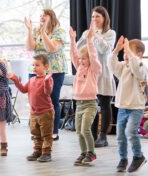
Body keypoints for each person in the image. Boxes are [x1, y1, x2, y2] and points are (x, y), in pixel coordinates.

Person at [76, 6, 116, 147]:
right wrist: (86, 36)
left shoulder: (110, 33)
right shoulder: (88, 32)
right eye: (92, 17)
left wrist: (95, 35)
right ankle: (92, 134)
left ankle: (103, 136)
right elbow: (78, 48)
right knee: (91, 104)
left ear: (104, 18)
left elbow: (104, 49)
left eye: (97, 16)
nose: (94, 19)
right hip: (91, 75)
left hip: (104, 73)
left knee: (105, 105)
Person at [25, 9, 67, 140]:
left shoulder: (59, 31)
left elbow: (51, 48)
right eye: (40, 15)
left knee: (53, 100)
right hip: (36, 69)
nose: (41, 17)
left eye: (44, 15)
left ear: (51, 17)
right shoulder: (36, 30)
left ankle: (53, 131)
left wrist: (43, 32)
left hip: (54, 70)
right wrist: (29, 30)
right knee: (35, 100)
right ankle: (38, 131)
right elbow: (30, 47)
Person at [108, 37, 147, 173]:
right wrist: (116, 50)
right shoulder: (123, 67)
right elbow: (111, 65)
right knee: (120, 136)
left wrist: (130, 54)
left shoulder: (141, 66)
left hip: (136, 107)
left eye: (129, 51)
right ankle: (123, 159)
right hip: (123, 107)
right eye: (125, 52)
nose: (126, 54)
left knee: (130, 131)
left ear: (139, 54)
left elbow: (136, 69)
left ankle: (138, 156)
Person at [9, 54, 54, 162]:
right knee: (35, 134)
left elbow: (48, 92)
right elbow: (24, 90)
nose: (34, 67)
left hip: (46, 112)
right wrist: (15, 80)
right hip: (34, 113)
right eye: (33, 65)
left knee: (46, 134)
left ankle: (46, 153)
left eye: (37, 65)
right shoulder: (32, 79)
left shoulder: (48, 79)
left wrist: (47, 81)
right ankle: (37, 151)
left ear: (46, 66)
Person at [69, 23, 102, 166]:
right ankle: (83, 153)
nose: (81, 61)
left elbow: (93, 56)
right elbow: (74, 55)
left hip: (90, 104)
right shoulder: (79, 68)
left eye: (84, 59)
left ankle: (91, 153)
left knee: (85, 129)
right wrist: (72, 40)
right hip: (79, 103)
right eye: (81, 59)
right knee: (78, 131)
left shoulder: (94, 70)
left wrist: (89, 40)